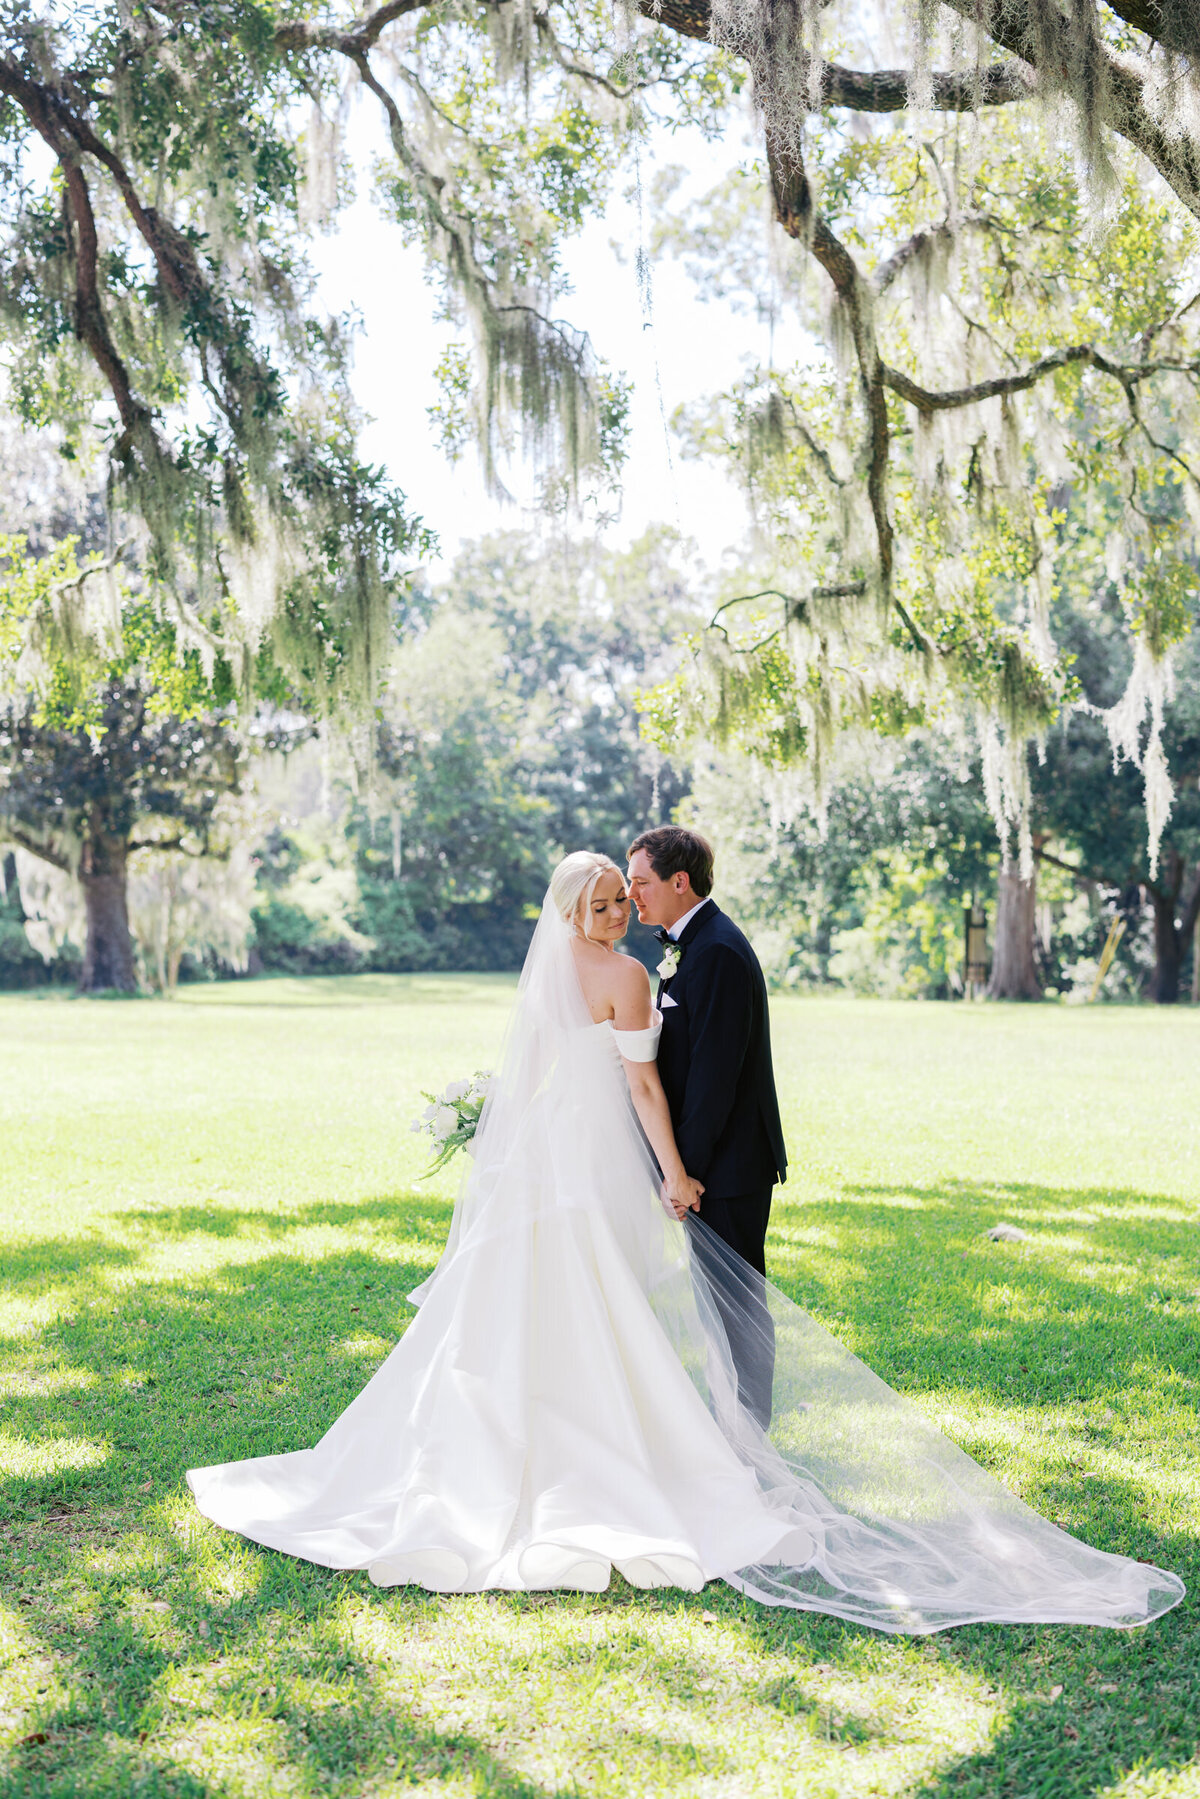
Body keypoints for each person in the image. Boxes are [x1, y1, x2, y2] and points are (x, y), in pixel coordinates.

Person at [188, 849, 1184, 1632]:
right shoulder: (625, 975)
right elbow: (642, 1083)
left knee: (558, 1291)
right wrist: (670, 1166)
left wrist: (511, 1133)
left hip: (546, 1151)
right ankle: (589, 1448)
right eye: (606, 901)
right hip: (593, 1152)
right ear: (578, 909)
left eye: (625, 898)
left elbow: (537, 1075)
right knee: (591, 1291)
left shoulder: (550, 977)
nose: (619, 913)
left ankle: (550, 1434)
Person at [626, 827, 783, 1425]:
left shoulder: (716, 949)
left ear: (679, 882)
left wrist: (680, 1174)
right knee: (717, 1303)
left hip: (728, 1165)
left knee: (736, 1304)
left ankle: (749, 1430)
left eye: (641, 883)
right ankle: (733, 1422)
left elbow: (715, 1079)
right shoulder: (690, 945)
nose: (633, 895)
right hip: (710, 1162)